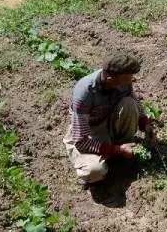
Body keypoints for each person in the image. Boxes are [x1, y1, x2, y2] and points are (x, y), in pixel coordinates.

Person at [63, 53, 156, 187]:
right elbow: (81, 141)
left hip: (109, 120)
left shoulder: (123, 82)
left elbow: (134, 100)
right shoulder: (84, 95)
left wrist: (145, 124)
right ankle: (111, 156)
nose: (130, 83)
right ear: (110, 79)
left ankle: (123, 152)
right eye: (126, 80)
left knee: (129, 103)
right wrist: (117, 150)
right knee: (95, 171)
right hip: (89, 133)